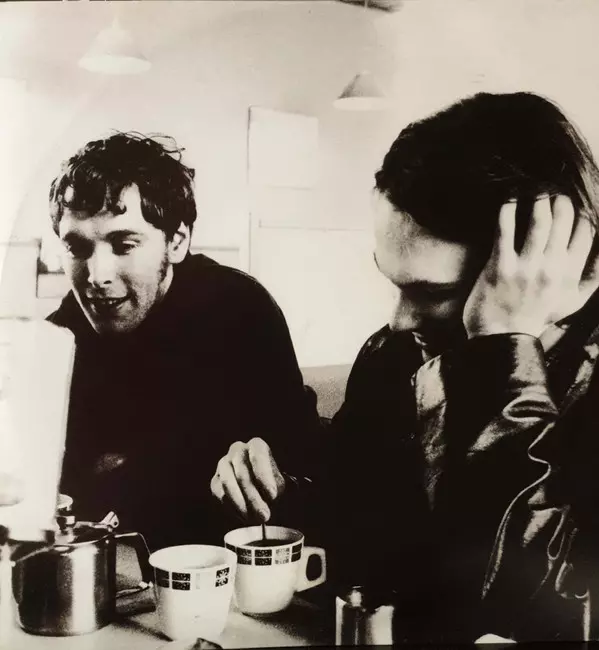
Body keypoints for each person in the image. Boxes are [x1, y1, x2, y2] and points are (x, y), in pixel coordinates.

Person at [211, 92, 599, 642]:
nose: (398, 320)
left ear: (548, 256)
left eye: (432, 293)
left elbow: (534, 614)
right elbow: (371, 536)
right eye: (393, 282)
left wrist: (503, 349)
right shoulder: (394, 354)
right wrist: (282, 497)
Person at [46, 131, 320, 550]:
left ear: (177, 241)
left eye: (123, 245)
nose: (96, 276)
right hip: (112, 563)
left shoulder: (240, 311)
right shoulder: (60, 335)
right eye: (78, 248)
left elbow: (302, 467)